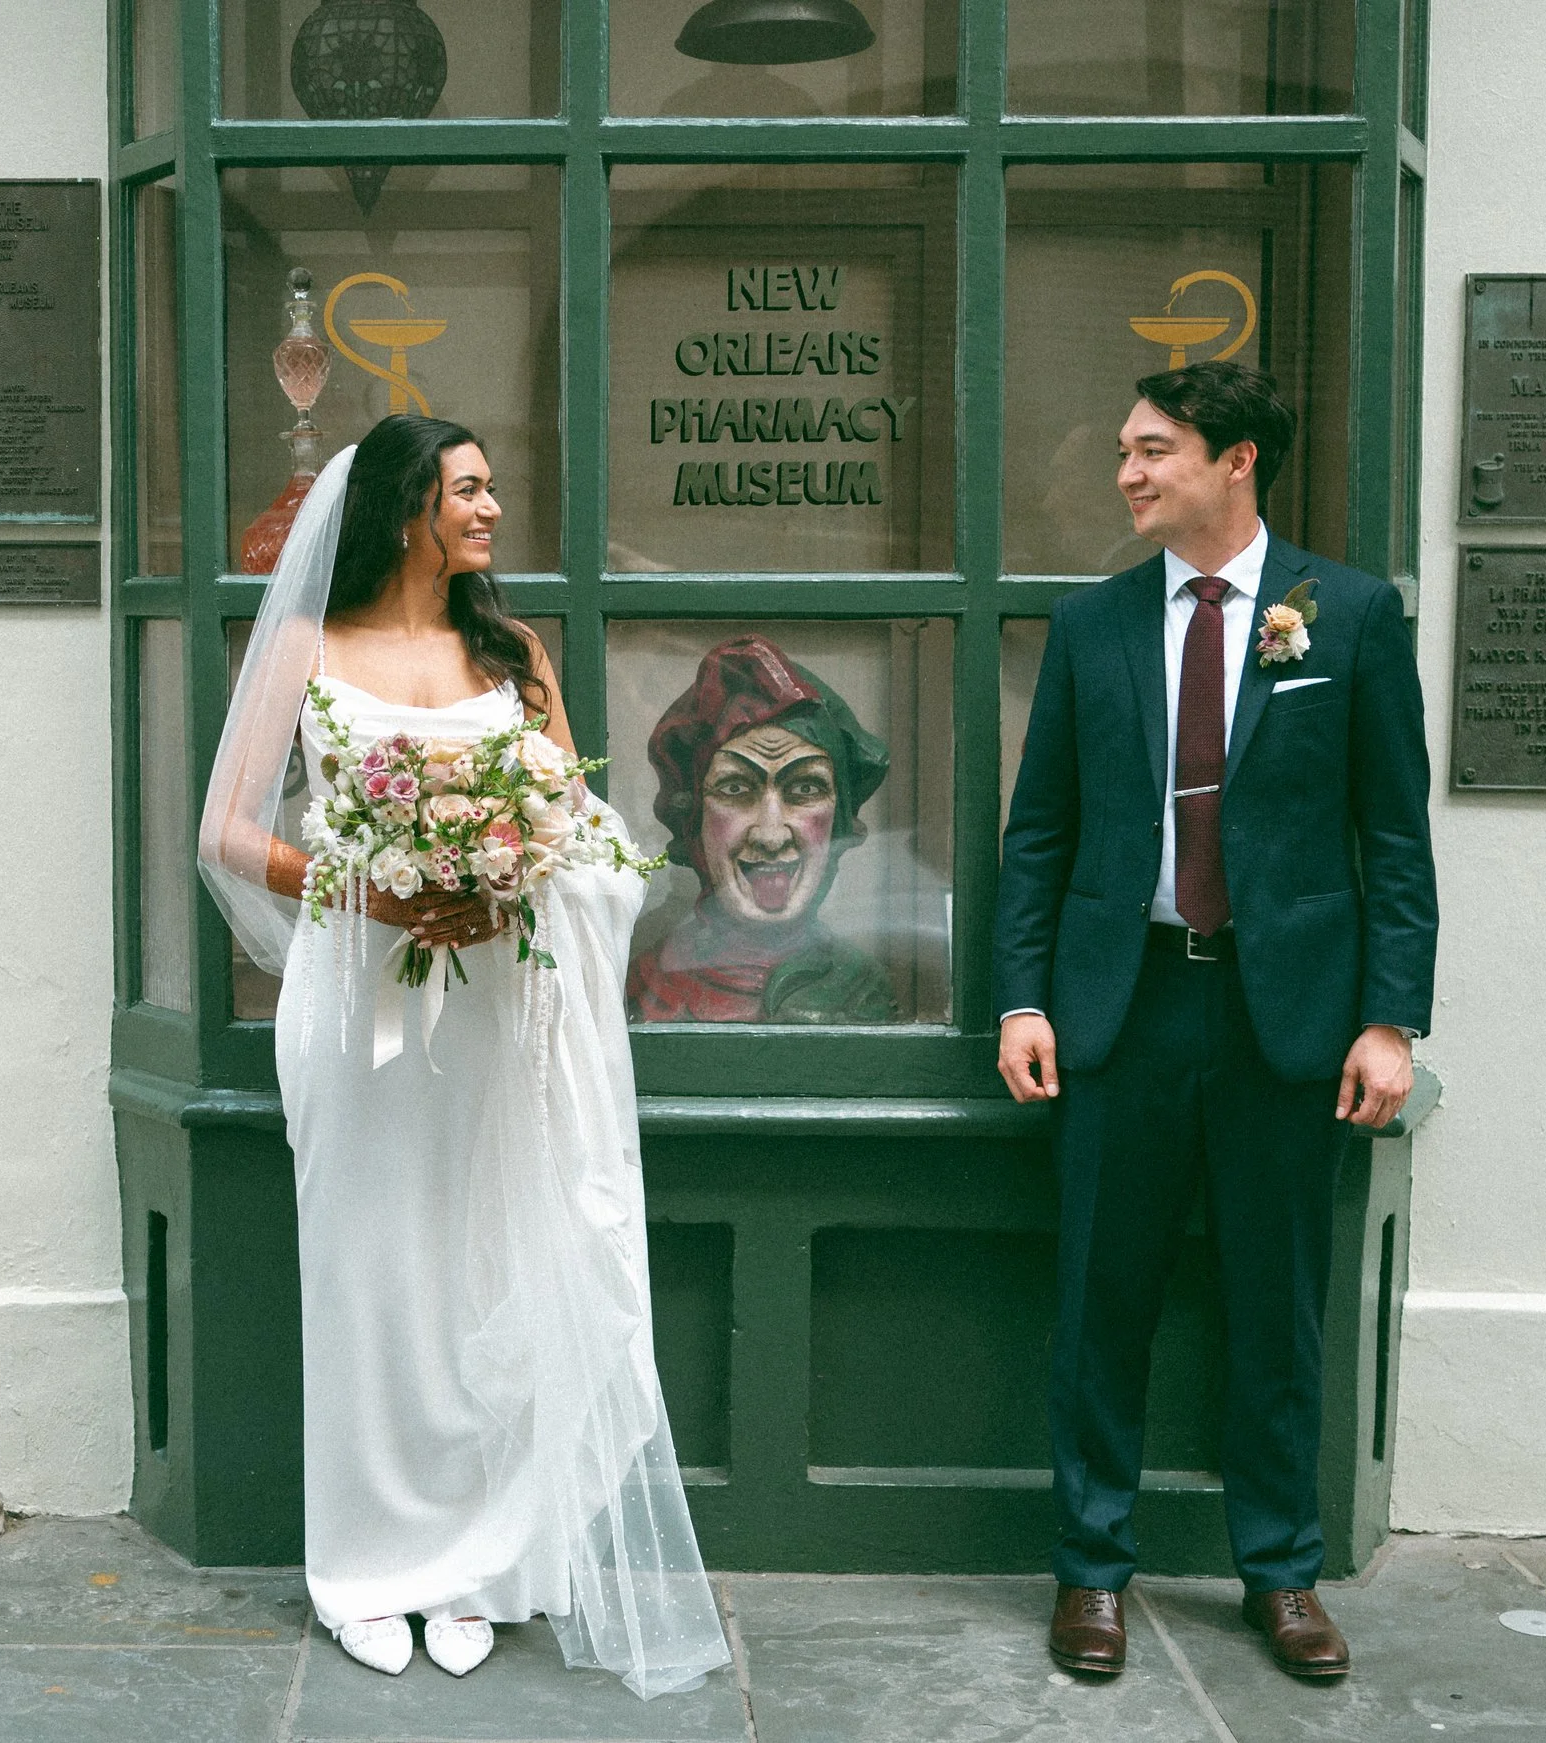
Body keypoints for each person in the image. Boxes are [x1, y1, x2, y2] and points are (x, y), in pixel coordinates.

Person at [196, 414, 731, 1699]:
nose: (492, 510)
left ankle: (482, 1566)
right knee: (371, 1281)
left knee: (486, 1274)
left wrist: (523, 870)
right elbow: (225, 832)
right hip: (356, 1011)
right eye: (470, 490)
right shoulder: (304, 647)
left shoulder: (514, 650)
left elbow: (585, 825)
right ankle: (367, 1571)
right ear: (403, 510)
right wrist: (369, 883)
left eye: (493, 487)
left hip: (496, 1007)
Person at [993, 363, 1437, 1682]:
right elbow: (1043, 834)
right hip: (1122, 1004)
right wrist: (1024, 992)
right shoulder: (1096, 625)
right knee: (1100, 1298)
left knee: (1277, 1300)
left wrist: (1390, 1018)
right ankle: (1090, 1567)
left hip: (1281, 1016)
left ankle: (1283, 1568)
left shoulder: (1345, 615)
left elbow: (1395, 836)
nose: (1127, 472)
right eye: (1126, 450)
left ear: (1236, 459)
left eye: (1153, 449)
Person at [627, 634, 898, 1024]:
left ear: (838, 819)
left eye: (805, 788)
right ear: (694, 820)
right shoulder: (650, 985)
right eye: (735, 788)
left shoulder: (860, 989)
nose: (771, 836)